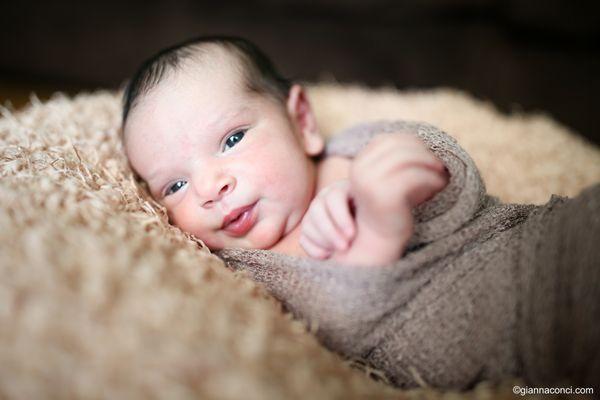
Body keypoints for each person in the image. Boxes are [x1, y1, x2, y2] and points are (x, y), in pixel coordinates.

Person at [121, 35, 449, 267]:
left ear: (302, 122)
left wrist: (407, 166)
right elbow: (345, 324)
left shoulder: (355, 154)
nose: (209, 188)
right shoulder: (245, 277)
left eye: (232, 140)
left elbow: (449, 180)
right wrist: (377, 234)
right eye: (176, 186)